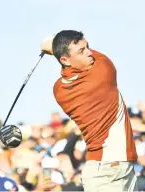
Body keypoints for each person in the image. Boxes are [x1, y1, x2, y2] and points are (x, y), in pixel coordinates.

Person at [41, 30, 138, 192]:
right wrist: (51, 46)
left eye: (88, 47)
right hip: (107, 171)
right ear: (64, 60)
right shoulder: (102, 73)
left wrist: (56, 48)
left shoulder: (58, 89)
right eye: (81, 51)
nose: (90, 53)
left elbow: (57, 49)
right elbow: (50, 44)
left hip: (111, 169)